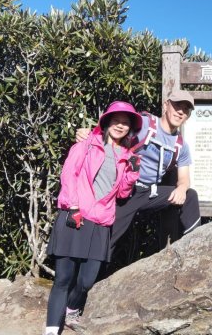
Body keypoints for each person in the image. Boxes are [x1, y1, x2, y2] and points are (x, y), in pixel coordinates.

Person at [40, 101, 142, 335]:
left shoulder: (127, 156)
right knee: (63, 277)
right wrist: (73, 206)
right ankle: (51, 333)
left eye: (126, 122)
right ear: (106, 122)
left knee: (87, 280)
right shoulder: (85, 145)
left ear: (130, 128)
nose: (120, 125)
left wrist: (132, 173)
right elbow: (69, 176)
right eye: (116, 120)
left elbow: (123, 194)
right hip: (75, 216)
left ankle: (72, 309)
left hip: (101, 222)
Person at [76, 90, 201, 263]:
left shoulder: (181, 145)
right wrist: (90, 133)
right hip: (125, 190)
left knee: (190, 195)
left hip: (150, 193)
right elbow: (114, 127)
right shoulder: (144, 123)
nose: (181, 111)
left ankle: (197, 248)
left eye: (186, 110)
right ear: (166, 105)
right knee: (108, 238)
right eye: (177, 105)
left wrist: (181, 188)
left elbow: (184, 178)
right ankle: (89, 279)